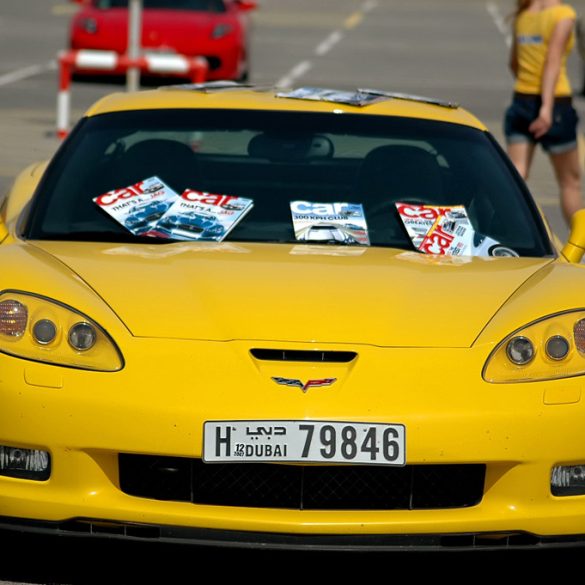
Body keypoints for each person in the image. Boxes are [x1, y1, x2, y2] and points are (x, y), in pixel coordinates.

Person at [504, 0, 583, 226]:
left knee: (516, 177)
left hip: (522, 99)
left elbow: (514, 64)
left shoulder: (522, 15)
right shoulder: (562, 15)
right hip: (555, 105)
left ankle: (508, 230)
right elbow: (553, 62)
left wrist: (529, 93)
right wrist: (546, 109)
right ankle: (581, 240)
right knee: (570, 182)